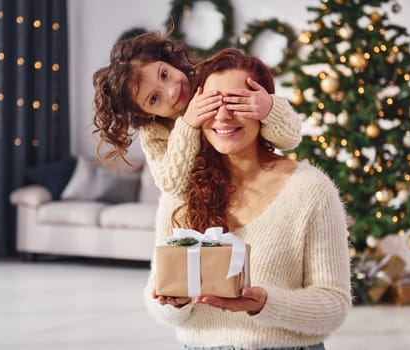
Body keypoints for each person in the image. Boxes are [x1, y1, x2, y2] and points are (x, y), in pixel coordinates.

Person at [143, 48, 352, 350]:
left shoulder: (311, 190)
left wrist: (265, 303)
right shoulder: (180, 192)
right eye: (211, 103)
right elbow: (156, 297)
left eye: (237, 102)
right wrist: (174, 301)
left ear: (263, 108)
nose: (223, 115)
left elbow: (334, 305)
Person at [92, 32, 302, 196]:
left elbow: (291, 138)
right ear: (146, 114)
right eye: (154, 99)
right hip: (209, 203)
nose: (172, 91)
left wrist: (269, 110)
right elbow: (170, 183)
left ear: (169, 60)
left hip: (256, 184)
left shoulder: (211, 79)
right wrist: (188, 125)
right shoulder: (154, 131)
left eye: (164, 74)